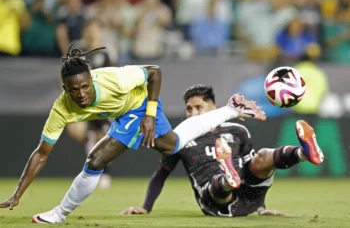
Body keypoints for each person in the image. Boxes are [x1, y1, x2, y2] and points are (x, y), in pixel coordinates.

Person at [0, 47, 266, 224]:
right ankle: (231, 109)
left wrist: (149, 114)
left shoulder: (114, 79)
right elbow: (41, 154)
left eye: (84, 86)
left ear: (91, 79)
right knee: (172, 145)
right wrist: (18, 193)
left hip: (140, 105)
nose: (81, 94)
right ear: (64, 88)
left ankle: (59, 214)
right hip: (123, 115)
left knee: (95, 160)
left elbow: (155, 72)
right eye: (73, 90)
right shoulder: (61, 108)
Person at [121, 85, 324, 217]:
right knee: (217, 184)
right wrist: (145, 207)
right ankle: (228, 178)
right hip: (217, 202)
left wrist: (261, 209)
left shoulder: (238, 130)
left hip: (248, 197)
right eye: (189, 109)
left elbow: (253, 170)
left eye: (199, 107)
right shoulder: (179, 139)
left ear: (215, 108)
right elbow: (161, 174)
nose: (193, 112)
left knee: (260, 158)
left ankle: (304, 153)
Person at [66, 19, 113, 189]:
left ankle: (103, 172)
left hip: (101, 102)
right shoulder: (77, 53)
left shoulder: (105, 54)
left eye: (96, 30)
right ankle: (94, 174)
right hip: (83, 103)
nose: (93, 33)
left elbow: (110, 79)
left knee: (104, 137)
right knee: (89, 136)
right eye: (90, 29)